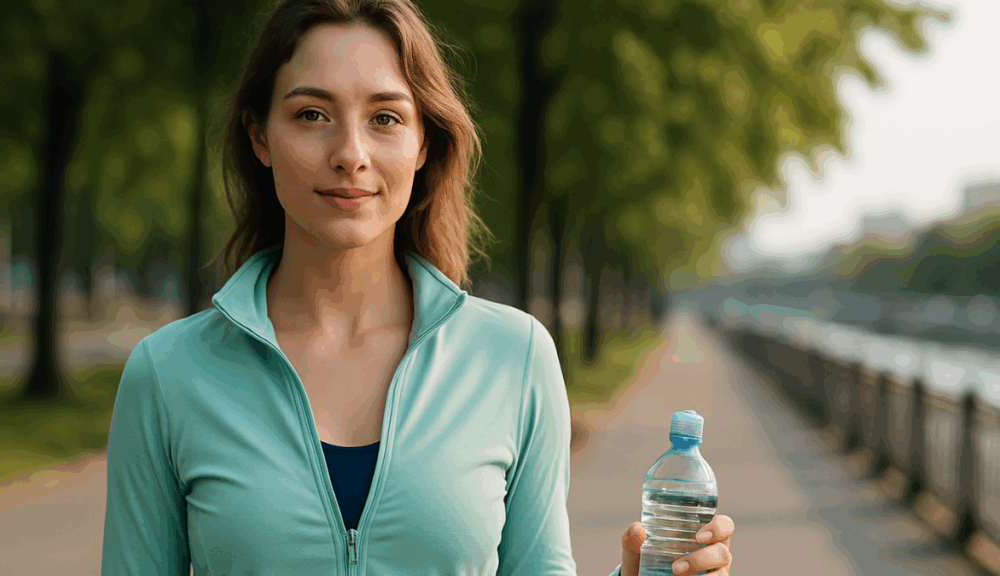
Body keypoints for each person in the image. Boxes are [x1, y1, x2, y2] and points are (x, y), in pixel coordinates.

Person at [100, 0, 735, 574]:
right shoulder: (167, 375)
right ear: (260, 135)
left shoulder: (515, 359)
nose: (350, 153)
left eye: (384, 117)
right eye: (312, 114)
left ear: (423, 141)